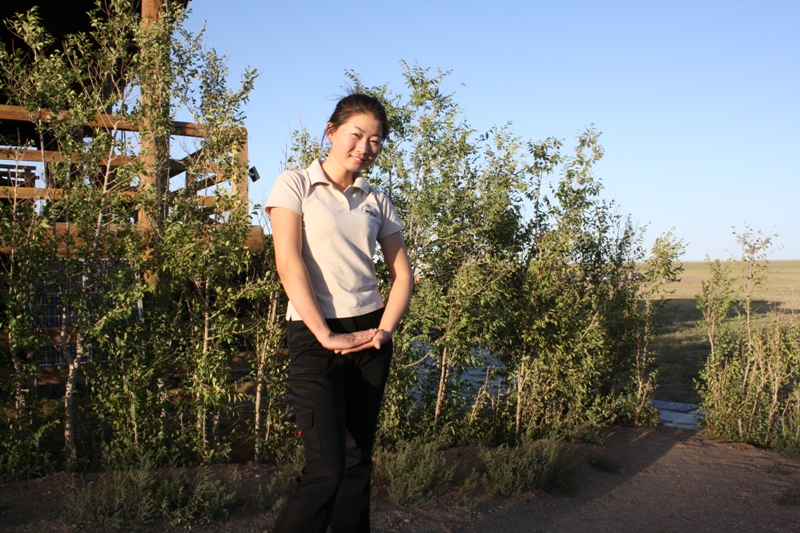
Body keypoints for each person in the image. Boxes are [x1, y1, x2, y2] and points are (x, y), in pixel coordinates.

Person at [266, 92, 413, 533]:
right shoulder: (294, 184)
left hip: (369, 334)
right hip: (314, 335)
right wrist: (326, 335)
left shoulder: (377, 200)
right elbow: (288, 263)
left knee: (356, 464)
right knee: (325, 470)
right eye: (357, 134)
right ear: (331, 132)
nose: (365, 148)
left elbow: (403, 276)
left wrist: (384, 330)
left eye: (376, 140)